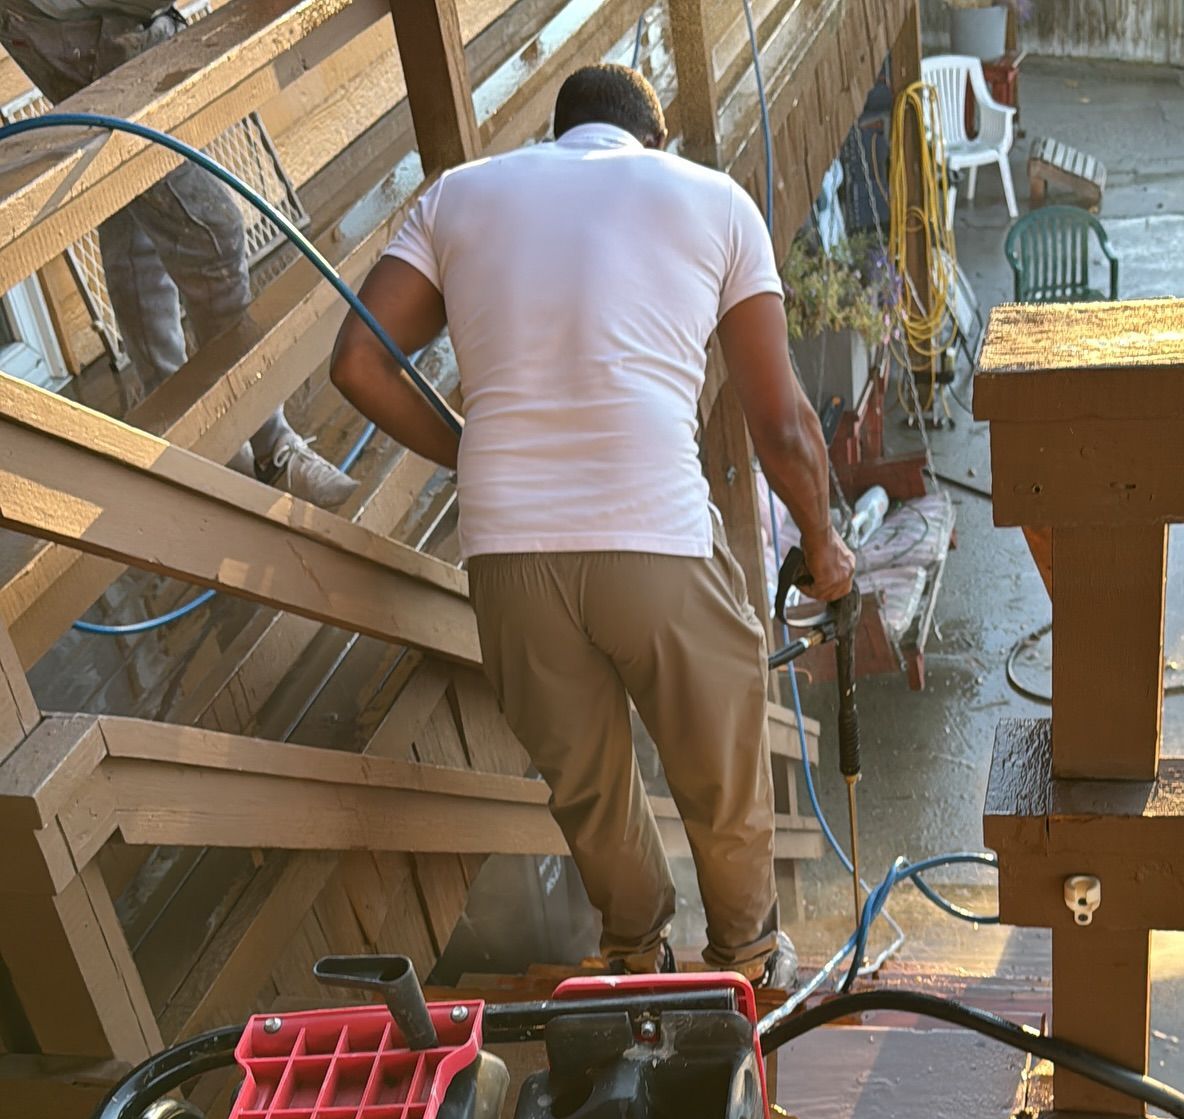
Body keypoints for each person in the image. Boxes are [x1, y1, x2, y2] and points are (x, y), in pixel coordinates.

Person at [331, 62, 853, 985]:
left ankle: (633, 953)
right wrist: (824, 547)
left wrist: (472, 450)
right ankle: (746, 964)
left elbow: (358, 364)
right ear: (655, 140)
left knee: (590, 787)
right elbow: (781, 426)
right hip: (655, 532)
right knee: (720, 767)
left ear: (559, 134)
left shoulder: (460, 195)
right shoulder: (715, 201)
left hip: (507, 552)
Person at [0, 2, 356, 507]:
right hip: (89, 48)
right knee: (212, 235)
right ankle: (265, 450)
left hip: (114, 40)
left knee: (133, 229)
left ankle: (184, 450)